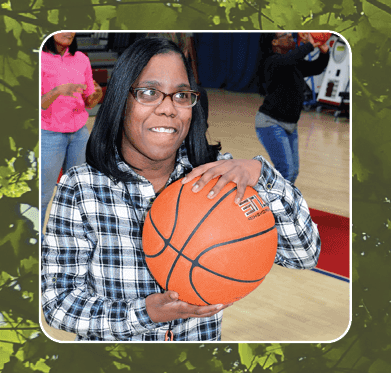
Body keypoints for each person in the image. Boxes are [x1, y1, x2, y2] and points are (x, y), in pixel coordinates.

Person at [40, 37, 320, 341]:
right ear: (121, 101)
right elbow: (58, 304)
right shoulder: (82, 188)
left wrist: (264, 175)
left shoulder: (218, 177)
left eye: (181, 95)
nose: (168, 109)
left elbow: (303, 255)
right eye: (149, 93)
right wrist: (143, 314)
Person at [40, 32, 103, 220]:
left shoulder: (81, 59)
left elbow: (89, 102)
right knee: (43, 194)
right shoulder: (39, 58)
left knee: (76, 192)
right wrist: (58, 91)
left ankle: (69, 235)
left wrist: (97, 95)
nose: (69, 32)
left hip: (79, 134)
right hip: (49, 134)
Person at [256, 32, 330, 182]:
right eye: (285, 35)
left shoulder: (292, 62)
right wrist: (309, 45)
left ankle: (279, 201)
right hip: (271, 123)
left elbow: (316, 68)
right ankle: (275, 203)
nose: (291, 36)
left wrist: (324, 52)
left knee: (293, 171)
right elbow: (288, 60)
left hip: (290, 125)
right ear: (275, 42)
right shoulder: (272, 61)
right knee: (286, 171)